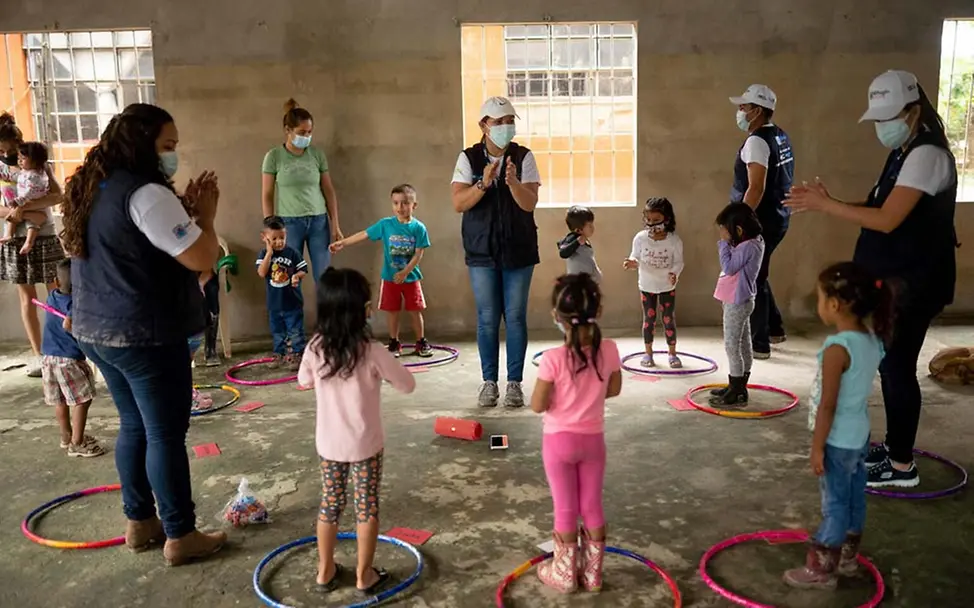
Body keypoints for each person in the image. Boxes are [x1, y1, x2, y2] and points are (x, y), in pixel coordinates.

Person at [60, 103, 226, 564]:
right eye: (167, 146)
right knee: (165, 432)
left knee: (135, 425)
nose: (173, 155)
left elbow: (136, 245)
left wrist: (184, 212)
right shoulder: (147, 193)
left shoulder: (94, 186)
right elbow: (201, 258)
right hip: (143, 335)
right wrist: (206, 218)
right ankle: (180, 534)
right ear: (142, 144)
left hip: (98, 330)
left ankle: (140, 522)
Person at [786, 70, 958, 489]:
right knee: (890, 366)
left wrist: (827, 207)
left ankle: (902, 466)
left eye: (889, 116)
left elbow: (887, 219)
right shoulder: (904, 150)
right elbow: (880, 203)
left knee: (898, 369)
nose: (883, 126)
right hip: (897, 280)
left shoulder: (926, 155)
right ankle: (897, 448)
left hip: (914, 283)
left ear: (914, 110)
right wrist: (833, 202)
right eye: (878, 118)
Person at [298, 267, 415, 595]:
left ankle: (325, 571)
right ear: (360, 311)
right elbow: (407, 385)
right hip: (366, 446)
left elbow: (303, 382)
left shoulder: (315, 348)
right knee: (366, 507)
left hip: (329, 445)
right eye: (367, 303)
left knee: (329, 504)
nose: (372, 308)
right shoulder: (373, 351)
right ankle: (365, 576)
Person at [783, 262, 890, 590]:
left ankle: (821, 569)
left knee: (835, 504)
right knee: (855, 497)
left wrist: (817, 446)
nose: (818, 305)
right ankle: (847, 558)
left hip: (837, 440)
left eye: (819, 298)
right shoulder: (871, 340)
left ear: (834, 304)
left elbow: (828, 405)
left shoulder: (837, 349)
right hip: (859, 436)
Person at [530, 273, 622, 593]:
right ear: (598, 312)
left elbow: (537, 405)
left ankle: (565, 575)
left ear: (557, 317)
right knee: (592, 505)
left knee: (565, 508)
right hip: (593, 441)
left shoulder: (553, 359)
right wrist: (587, 396)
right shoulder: (608, 350)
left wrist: (563, 397)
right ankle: (593, 576)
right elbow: (614, 389)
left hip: (558, 443)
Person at [450, 96, 542, 408]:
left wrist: (514, 182)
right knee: (487, 318)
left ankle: (514, 383)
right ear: (484, 125)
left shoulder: (524, 157)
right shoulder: (468, 159)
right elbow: (458, 203)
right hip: (481, 252)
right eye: (499, 121)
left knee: (515, 316)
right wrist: (483, 184)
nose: (505, 127)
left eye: (509, 121)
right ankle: (489, 382)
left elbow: (529, 204)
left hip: (519, 251)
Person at [330, 184, 433, 358]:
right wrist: (343, 242)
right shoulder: (385, 225)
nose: (400, 207)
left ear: (414, 205)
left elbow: (418, 254)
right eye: (396, 203)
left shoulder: (419, 228)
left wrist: (406, 272)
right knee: (392, 311)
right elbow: (364, 234)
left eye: (405, 203)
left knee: (415, 310)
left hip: (411, 278)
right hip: (390, 278)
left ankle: (421, 341)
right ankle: (394, 342)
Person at [729, 84, 794, 359]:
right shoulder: (779, 136)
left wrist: (738, 222)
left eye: (743, 107)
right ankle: (775, 328)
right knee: (761, 272)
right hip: (777, 216)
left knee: (753, 277)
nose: (739, 112)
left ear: (757, 111)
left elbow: (756, 187)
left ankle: (760, 343)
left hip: (761, 220)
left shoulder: (756, 141)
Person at [0, 112, 65, 378]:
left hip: (45, 233)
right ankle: (40, 356)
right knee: (27, 298)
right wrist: (17, 214)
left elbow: (57, 195)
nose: (7, 154)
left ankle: (64, 349)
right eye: (2, 150)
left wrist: (24, 209)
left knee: (58, 292)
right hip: (14, 235)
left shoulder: (38, 163)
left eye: (10, 149)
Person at [261, 99, 342, 284]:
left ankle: (326, 313)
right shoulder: (274, 157)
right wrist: (269, 227)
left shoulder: (317, 155)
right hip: (288, 224)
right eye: (301, 132)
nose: (306, 136)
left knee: (324, 277)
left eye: (310, 132)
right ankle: (292, 314)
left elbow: (328, 190)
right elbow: (267, 193)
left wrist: (335, 224)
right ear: (288, 130)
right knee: (287, 276)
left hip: (318, 222)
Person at [41, 259, 104, 458]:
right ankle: (77, 443)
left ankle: (66, 436)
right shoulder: (78, 305)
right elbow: (80, 332)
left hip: (48, 358)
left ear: (56, 282)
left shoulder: (51, 297)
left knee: (60, 400)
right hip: (69, 361)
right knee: (82, 401)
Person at [711, 203, 765, 406]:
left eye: (725, 230)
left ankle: (737, 390)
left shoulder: (748, 246)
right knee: (743, 343)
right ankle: (737, 385)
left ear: (739, 230)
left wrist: (724, 244)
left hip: (737, 301)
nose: (722, 234)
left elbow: (729, 267)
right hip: (737, 300)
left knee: (732, 345)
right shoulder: (753, 242)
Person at [623, 197, 685, 368]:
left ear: (667, 219)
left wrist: (674, 273)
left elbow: (679, 262)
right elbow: (634, 255)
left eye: (656, 220)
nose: (651, 224)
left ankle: (672, 353)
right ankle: (648, 353)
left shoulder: (674, 241)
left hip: (666, 286)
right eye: (648, 220)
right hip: (647, 286)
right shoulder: (640, 238)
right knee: (648, 320)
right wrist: (632, 263)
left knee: (668, 319)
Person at [257, 215, 308, 370]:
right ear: (264, 238)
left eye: (282, 237)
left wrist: (296, 276)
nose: (279, 242)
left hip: (292, 302)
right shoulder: (263, 255)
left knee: (295, 331)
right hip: (274, 304)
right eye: (274, 238)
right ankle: (279, 353)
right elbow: (261, 272)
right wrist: (269, 253)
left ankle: (297, 354)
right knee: (277, 332)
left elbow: (303, 270)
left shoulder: (292, 253)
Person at [0, 141, 50, 254]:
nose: (19, 161)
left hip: (32, 202)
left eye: (23, 158)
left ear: (35, 160)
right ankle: (9, 234)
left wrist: (19, 201)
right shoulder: (25, 171)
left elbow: (30, 192)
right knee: (13, 217)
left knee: (32, 225)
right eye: (19, 158)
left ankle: (29, 242)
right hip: (25, 203)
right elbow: (14, 176)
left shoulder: (36, 176)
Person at [557, 205, 602, 283]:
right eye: (589, 226)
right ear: (578, 230)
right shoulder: (572, 238)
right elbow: (563, 253)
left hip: (587, 284)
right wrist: (577, 242)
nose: (592, 228)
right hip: (577, 284)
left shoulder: (584, 241)